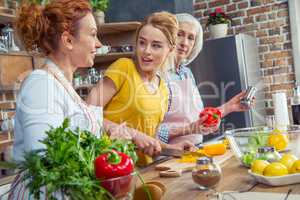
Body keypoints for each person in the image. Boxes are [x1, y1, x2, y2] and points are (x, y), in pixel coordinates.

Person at [9, 0, 159, 198]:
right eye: (93, 34)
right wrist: (107, 149)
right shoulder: (41, 85)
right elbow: (46, 162)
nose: (99, 44)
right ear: (68, 40)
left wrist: (111, 142)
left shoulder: (63, 86)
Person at [87, 11, 195, 166]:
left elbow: (148, 141)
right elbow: (86, 114)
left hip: (143, 172)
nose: (146, 51)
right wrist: (133, 134)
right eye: (142, 43)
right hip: (110, 168)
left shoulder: (163, 89)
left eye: (156, 45)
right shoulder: (123, 67)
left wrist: (173, 149)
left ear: (170, 50)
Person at [157, 13, 253, 145]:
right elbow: (151, 132)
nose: (185, 43)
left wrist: (229, 107)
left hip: (193, 149)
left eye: (191, 38)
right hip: (168, 156)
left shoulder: (186, 73)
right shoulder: (157, 73)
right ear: (168, 35)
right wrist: (189, 129)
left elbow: (196, 119)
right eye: (179, 34)